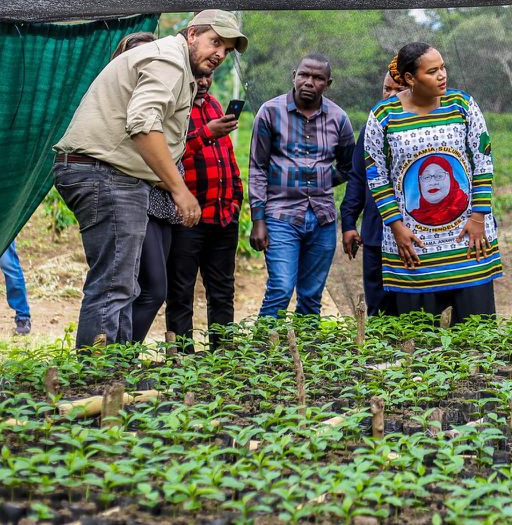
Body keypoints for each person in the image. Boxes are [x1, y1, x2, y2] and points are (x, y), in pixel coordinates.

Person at [52, 10, 247, 348]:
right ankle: (95, 376)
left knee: (127, 285)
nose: (219, 54)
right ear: (191, 35)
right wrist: (180, 191)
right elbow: (143, 125)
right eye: (215, 42)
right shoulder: (169, 61)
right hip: (106, 174)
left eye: (227, 50)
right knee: (114, 284)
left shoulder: (178, 67)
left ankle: (118, 366)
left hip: (115, 175)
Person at [364, 43, 502, 324]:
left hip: (467, 238)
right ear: (410, 79)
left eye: (443, 67)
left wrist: (478, 217)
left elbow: (483, 160)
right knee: (418, 337)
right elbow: (376, 175)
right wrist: (397, 227)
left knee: (476, 332)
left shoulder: (462, 105)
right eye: (432, 71)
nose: (442, 75)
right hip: (413, 244)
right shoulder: (383, 116)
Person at [249, 53, 354, 319]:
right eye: (304, 75)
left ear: (328, 84)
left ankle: (308, 354)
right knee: (281, 289)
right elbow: (257, 168)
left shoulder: (339, 118)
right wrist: (258, 220)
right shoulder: (270, 113)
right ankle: (262, 353)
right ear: (293, 75)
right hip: (280, 216)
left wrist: (318, 180)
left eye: (318, 78)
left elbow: (347, 166)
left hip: (323, 218)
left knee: (311, 295)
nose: (309, 82)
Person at [107, 32, 187, 344]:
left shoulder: (166, 94)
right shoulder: (122, 102)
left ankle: (125, 355)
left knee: (150, 288)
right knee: (147, 288)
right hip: (137, 199)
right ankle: (119, 357)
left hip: (163, 203)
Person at [166, 72, 243, 351]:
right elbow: (168, 155)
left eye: (208, 76)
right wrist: (206, 133)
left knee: (223, 291)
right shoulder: (174, 107)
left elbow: (227, 154)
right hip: (187, 218)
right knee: (180, 291)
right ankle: (182, 357)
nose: (203, 81)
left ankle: (222, 354)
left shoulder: (213, 105)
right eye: (198, 76)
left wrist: (236, 198)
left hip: (223, 214)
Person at [340, 70, 402, 316]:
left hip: (418, 235)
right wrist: (348, 222)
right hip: (377, 232)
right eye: (387, 89)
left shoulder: (427, 126)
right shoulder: (372, 127)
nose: (391, 96)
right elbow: (358, 176)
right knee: (379, 307)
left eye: (398, 90)